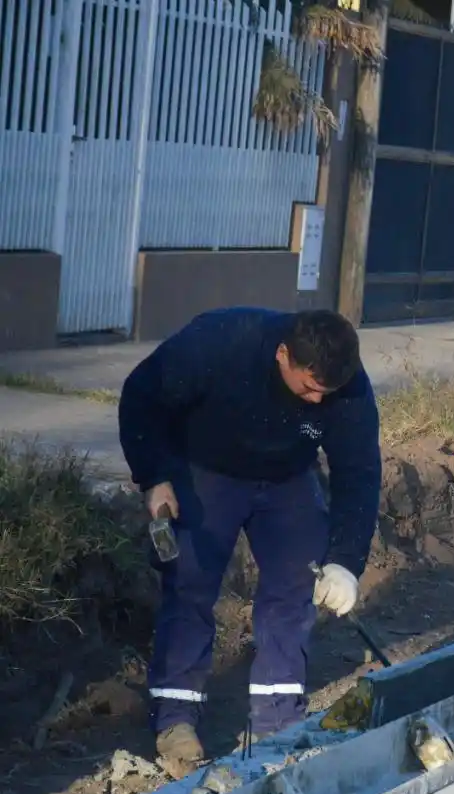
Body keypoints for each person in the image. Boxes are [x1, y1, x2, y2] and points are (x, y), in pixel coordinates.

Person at [117, 308, 382, 764]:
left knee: (296, 586)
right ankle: (176, 720)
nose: (318, 402)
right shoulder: (222, 342)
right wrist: (154, 476)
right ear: (283, 354)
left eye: (327, 393)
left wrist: (345, 560)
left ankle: (278, 719)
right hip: (206, 472)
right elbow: (142, 395)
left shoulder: (348, 385)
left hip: (288, 479)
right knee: (190, 585)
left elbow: (359, 471)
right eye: (309, 388)